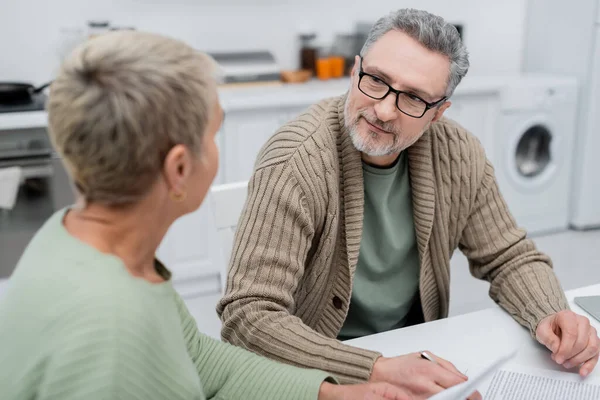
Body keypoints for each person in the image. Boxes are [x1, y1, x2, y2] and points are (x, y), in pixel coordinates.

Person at [0, 30, 409, 400]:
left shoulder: (79, 242)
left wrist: (327, 393)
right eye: (213, 135)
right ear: (179, 168)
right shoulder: (110, 334)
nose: (216, 150)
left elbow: (195, 355)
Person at [217, 8, 599, 398]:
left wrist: (550, 312)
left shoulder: (458, 153)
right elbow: (249, 316)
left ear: (438, 113)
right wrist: (376, 369)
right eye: (376, 81)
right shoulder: (296, 160)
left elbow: (508, 256)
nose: (383, 110)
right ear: (355, 71)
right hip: (317, 374)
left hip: (411, 353)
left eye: (414, 98)